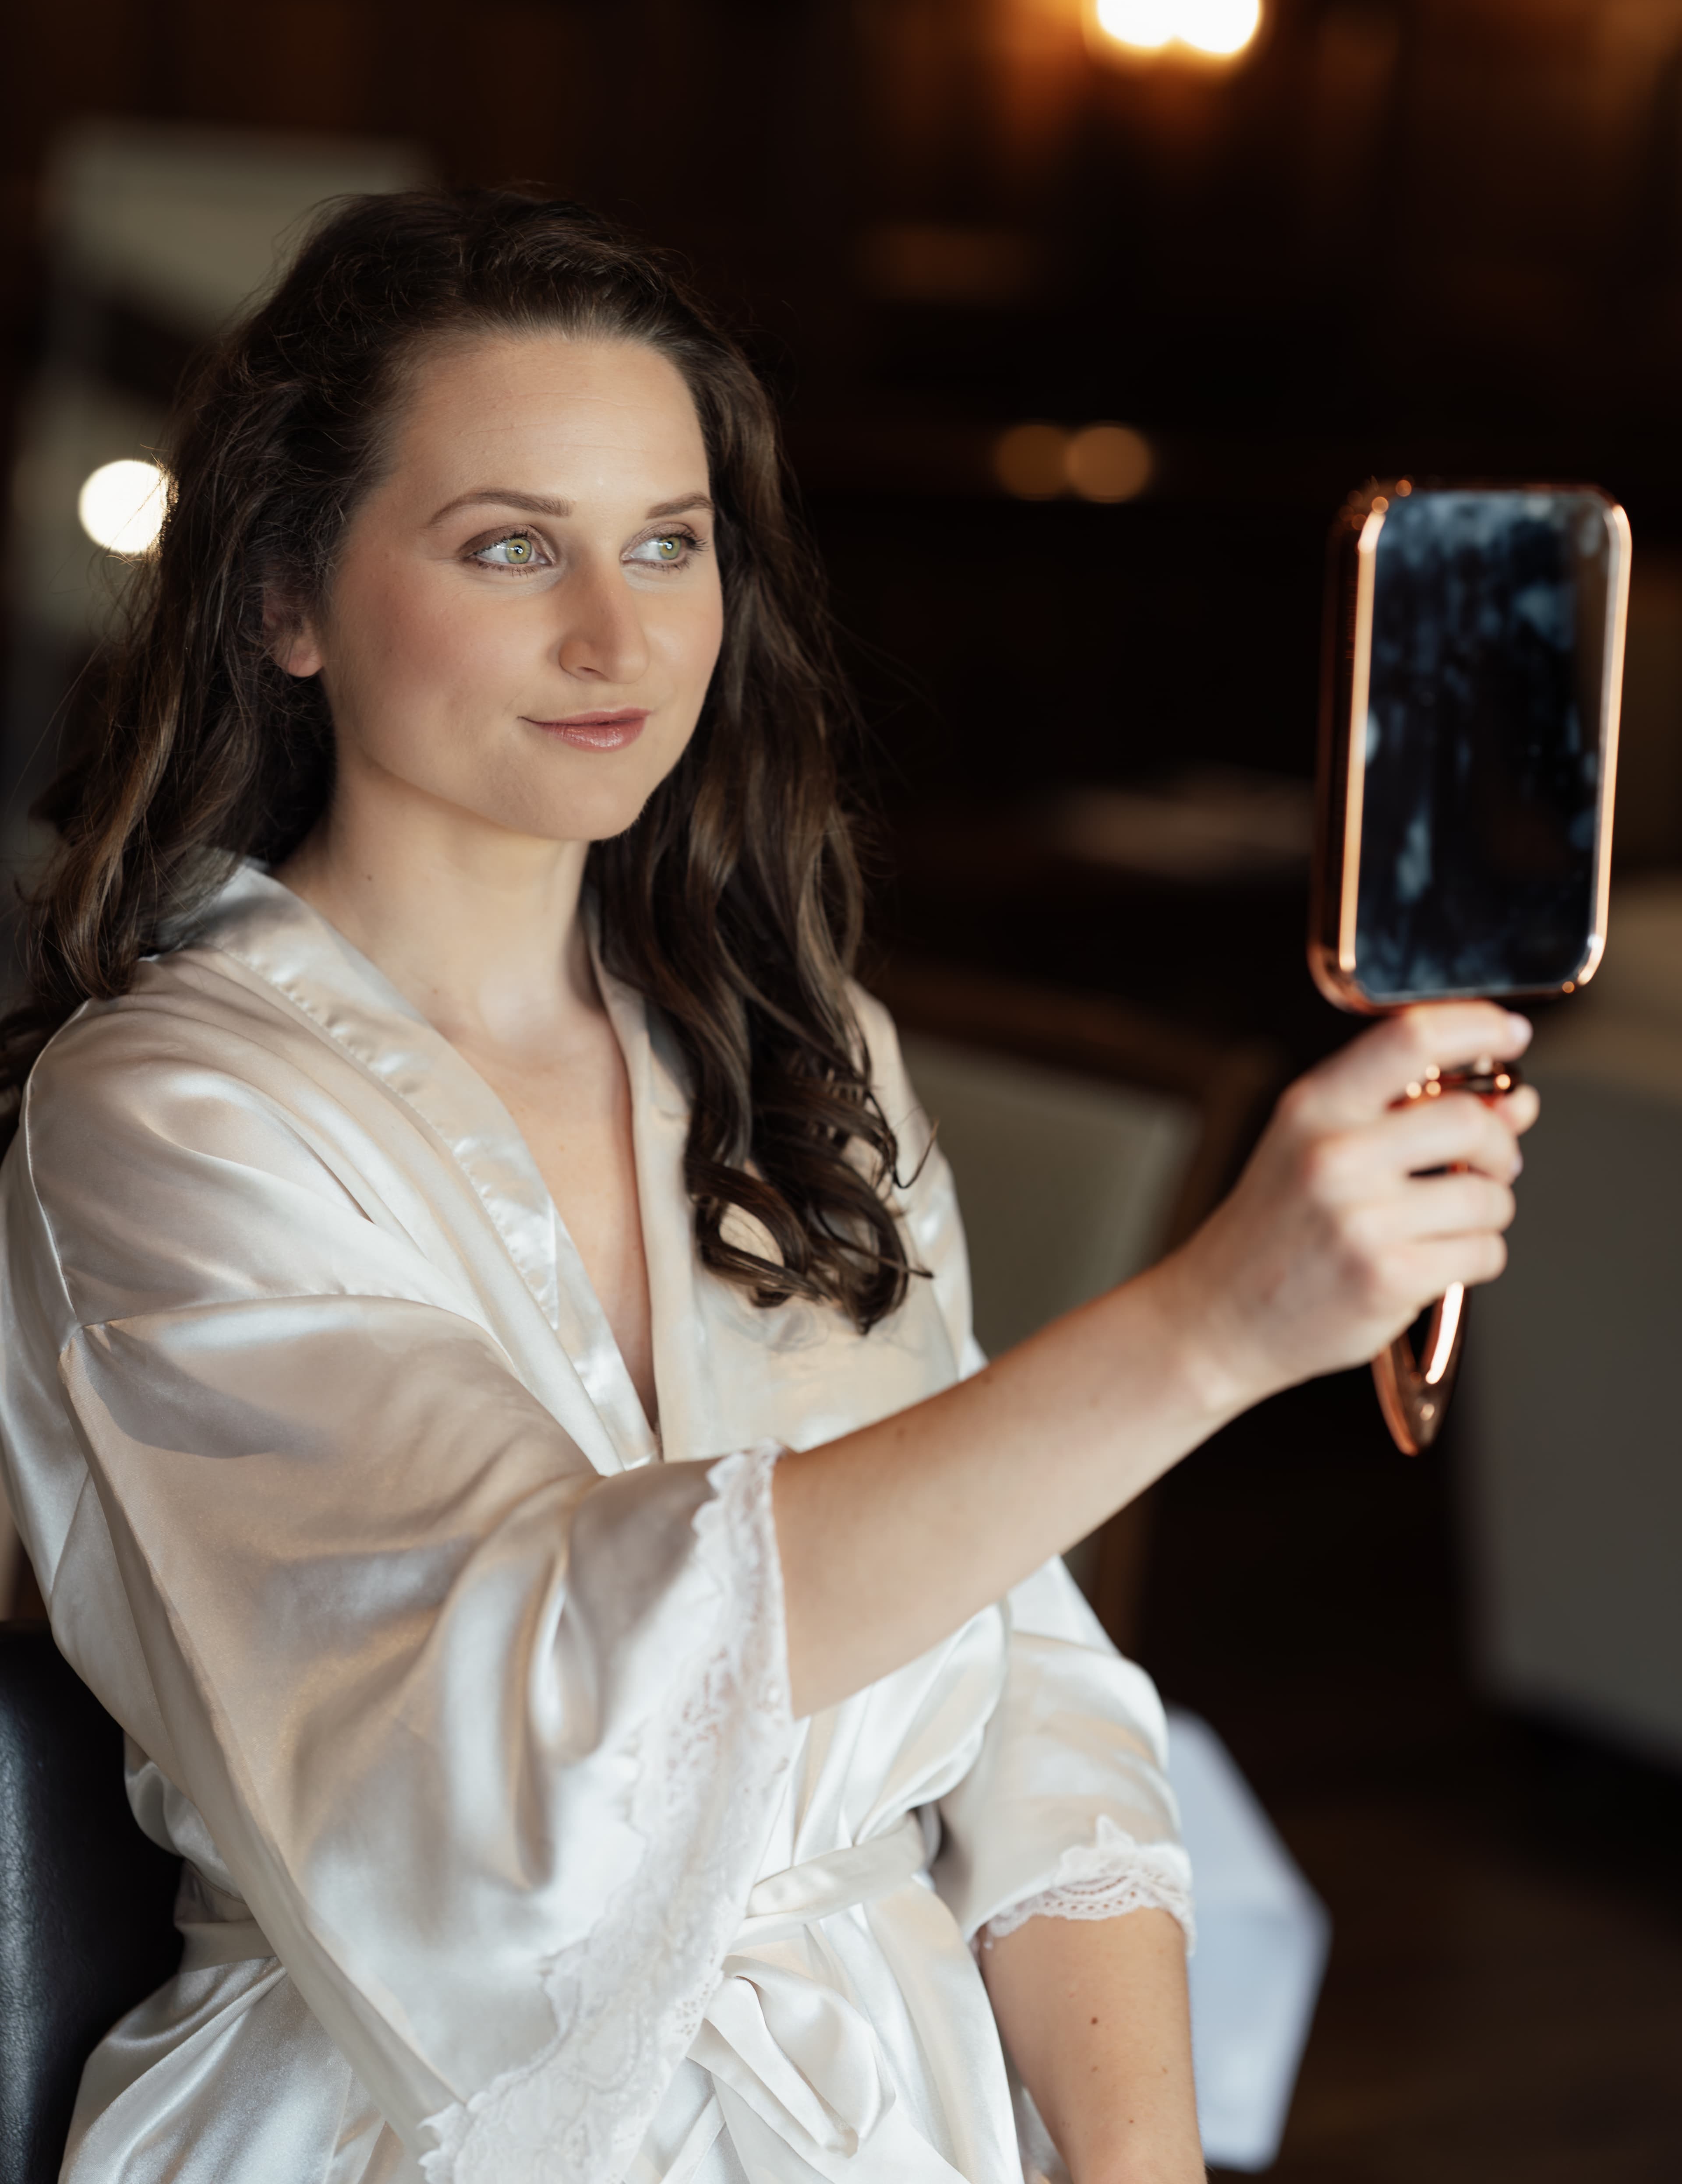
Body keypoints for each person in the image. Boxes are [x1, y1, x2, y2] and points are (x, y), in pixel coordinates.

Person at [0, 191, 1535, 2184]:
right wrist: (1210, 1333)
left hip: (895, 2110)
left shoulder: (802, 1056)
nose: (617, 637)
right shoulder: (170, 1122)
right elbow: (534, 1748)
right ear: (288, 600)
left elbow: (1038, 1699)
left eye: (671, 542)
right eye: (508, 546)